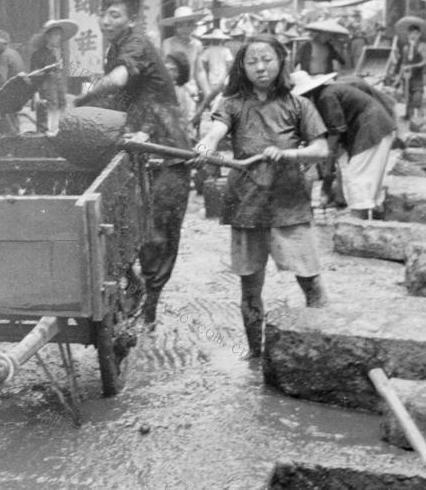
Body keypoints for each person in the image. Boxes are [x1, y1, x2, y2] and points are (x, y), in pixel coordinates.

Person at [192, 34, 329, 359]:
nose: (260, 67)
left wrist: (290, 155)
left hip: (289, 204)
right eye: (251, 61)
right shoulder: (232, 104)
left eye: (266, 59)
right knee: (250, 288)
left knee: (310, 280)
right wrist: (204, 148)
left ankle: (324, 346)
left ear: (281, 61)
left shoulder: (299, 105)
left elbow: (321, 149)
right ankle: (256, 354)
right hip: (246, 205)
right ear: (242, 67)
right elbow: (214, 133)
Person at [74, 0, 192, 328]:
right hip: (136, 147)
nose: (106, 21)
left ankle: (150, 311)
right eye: (104, 13)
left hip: (165, 150)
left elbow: (119, 80)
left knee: (158, 233)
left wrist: (87, 95)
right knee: (127, 224)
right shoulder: (117, 47)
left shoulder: (136, 44)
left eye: (115, 15)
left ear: (132, 19)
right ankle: (137, 289)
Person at [291, 71, 396, 220]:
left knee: (357, 177)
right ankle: (367, 216)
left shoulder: (325, 97)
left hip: (371, 130)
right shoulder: (326, 94)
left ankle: (356, 222)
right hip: (373, 129)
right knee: (362, 177)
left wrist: (325, 155)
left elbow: (336, 132)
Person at [30, 19, 75, 133]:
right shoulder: (38, 54)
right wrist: (35, 93)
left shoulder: (59, 53)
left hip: (58, 86)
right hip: (46, 88)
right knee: (50, 108)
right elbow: (34, 74)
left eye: (59, 35)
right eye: (55, 35)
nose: (58, 38)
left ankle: (59, 129)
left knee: (62, 105)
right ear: (47, 37)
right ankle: (50, 130)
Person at [387, 16, 426, 121]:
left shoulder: (422, 46)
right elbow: (403, 64)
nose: (413, 36)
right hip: (406, 76)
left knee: (417, 97)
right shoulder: (405, 48)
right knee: (407, 97)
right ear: (408, 35)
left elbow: (424, 61)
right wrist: (398, 78)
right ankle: (408, 115)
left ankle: (418, 116)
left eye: (415, 33)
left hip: (418, 76)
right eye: (411, 33)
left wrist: (412, 65)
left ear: (419, 34)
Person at [160, 5, 205, 93]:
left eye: (188, 24)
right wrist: (186, 87)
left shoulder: (197, 44)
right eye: (181, 25)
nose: (185, 29)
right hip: (173, 89)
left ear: (193, 26)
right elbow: (170, 69)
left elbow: (200, 71)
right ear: (176, 27)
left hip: (192, 90)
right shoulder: (168, 43)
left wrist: (208, 93)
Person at [164, 50, 196, 140]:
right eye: (166, 64)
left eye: (172, 69)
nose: (167, 68)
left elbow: (179, 118)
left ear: (177, 74)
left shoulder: (180, 92)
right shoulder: (165, 87)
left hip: (177, 133)